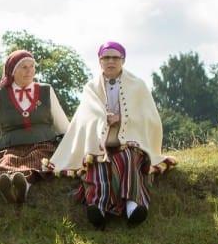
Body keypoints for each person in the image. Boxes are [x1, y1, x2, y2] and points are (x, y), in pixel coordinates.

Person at [49, 41, 174, 229]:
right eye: (106, 58)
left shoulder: (138, 85)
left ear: (123, 60)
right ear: (100, 61)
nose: (111, 62)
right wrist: (103, 118)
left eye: (115, 58)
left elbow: (149, 117)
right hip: (100, 142)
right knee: (99, 163)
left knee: (129, 159)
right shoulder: (91, 87)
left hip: (131, 141)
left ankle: (134, 206)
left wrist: (124, 118)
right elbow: (86, 116)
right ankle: (98, 207)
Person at [0, 49, 71, 204]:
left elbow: (63, 125)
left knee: (37, 159)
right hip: (10, 148)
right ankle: (8, 184)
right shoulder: (0, 95)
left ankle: (23, 186)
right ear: (12, 71)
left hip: (43, 144)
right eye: (24, 67)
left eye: (32, 66)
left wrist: (74, 147)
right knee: (6, 161)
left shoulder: (46, 90)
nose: (29, 71)